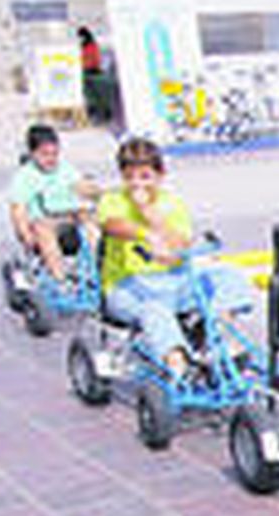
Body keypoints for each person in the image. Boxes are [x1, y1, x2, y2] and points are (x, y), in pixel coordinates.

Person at [96, 137, 252, 380]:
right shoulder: (113, 200)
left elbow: (180, 243)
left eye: (145, 177)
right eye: (130, 177)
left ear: (160, 175)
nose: (137, 184)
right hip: (127, 287)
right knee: (154, 310)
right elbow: (112, 225)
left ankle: (218, 341)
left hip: (173, 280)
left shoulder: (172, 204)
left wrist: (150, 214)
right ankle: (177, 365)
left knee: (228, 277)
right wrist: (144, 234)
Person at [7, 124, 98, 284]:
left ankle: (96, 268)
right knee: (42, 228)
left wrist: (95, 193)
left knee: (90, 219)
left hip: (69, 218)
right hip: (42, 222)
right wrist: (24, 234)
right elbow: (18, 209)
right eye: (44, 154)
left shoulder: (65, 169)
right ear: (32, 153)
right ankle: (60, 279)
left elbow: (80, 186)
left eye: (55, 154)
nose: (51, 159)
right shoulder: (25, 177)